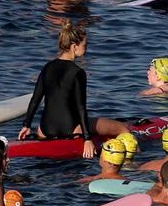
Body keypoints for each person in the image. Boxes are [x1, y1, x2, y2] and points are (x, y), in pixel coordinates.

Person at [19, 22, 129, 150]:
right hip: (71, 128)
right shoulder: (78, 72)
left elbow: (35, 100)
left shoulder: (47, 67)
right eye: (84, 45)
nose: (86, 48)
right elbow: (81, 107)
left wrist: (26, 125)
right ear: (74, 46)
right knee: (123, 129)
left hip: (45, 129)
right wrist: (87, 139)